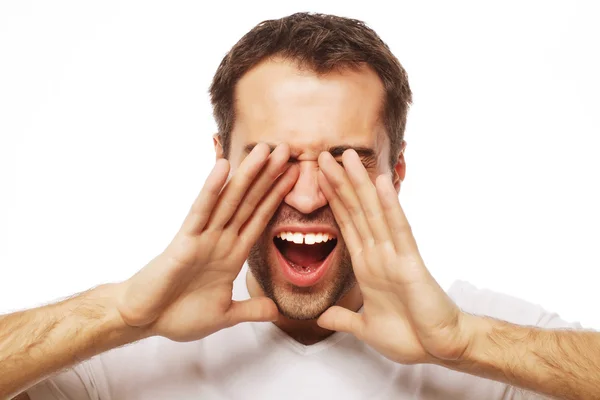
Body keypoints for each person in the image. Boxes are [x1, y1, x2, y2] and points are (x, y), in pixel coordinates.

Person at [2, 12, 598, 400]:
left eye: (346, 161)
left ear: (396, 172)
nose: (308, 195)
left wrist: (464, 344)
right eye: (272, 157)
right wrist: (123, 315)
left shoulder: (476, 343)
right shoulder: (122, 357)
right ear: (222, 162)